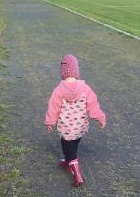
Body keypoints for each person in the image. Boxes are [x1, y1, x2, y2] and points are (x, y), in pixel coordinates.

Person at [44, 54, 106, 187]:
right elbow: (93, 105)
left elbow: (53, 107)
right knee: (73, 144)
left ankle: (76, 172)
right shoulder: (85, 88)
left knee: (67, 145)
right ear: (76, 71)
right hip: (80, 127)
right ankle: (68, 161)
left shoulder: (59, 90)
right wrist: (100, 118)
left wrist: (50, 122)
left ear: (63, 72)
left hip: (66, 129)